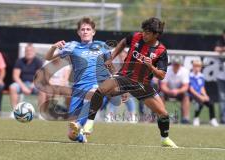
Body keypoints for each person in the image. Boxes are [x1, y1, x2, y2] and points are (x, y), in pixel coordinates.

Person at [71, 17, 178, 147]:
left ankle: (164, 139)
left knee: (163, 114)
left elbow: (161, 75)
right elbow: (123, 42)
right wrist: (112, 57)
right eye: (143, 31)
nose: (144, 34)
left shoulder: (161, 51)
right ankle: (89, 123)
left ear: (156, 34)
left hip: (141, 85)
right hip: (123, 78)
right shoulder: (136, 37)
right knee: (100, 90)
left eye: (148, 33)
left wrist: (151, 67)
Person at [44, 17, 112, 143]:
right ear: (78, 32)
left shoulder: (102, 46)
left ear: (93, 32)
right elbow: (48, 58)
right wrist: (54, 47)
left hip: (97, 84)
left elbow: (110, 64)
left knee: (93, 94)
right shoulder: (72, 46)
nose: (85, 31)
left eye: (88, 29)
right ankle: (81, 136)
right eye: (82, 29)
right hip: (78, 89)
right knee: (71, 135)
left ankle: (81, 123)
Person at [9, 43, 43, 110]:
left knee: (43, 89)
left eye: (31, 50)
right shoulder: (19, 61)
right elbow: (15, 76)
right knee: (12, 87)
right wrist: (23, 87)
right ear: (24, 52)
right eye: (27, 51)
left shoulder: (38, 61)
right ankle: (15, 111)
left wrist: (33, 84)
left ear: (34, 52)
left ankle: (41, 113)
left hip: (34, 84)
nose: (29, 52)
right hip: (21, 84)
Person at [160, 55, 190, 124]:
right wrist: (169, 91)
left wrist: (177, 91)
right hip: (168, 91)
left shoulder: (185, 71)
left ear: (180, 64)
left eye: (178, 64)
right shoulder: (166, 70)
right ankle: (162, 117)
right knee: (161, 95)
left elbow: (185, 87)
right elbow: (163, 86)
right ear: (172, 64)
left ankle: (185, 118)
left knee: (186, 95)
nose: (176, 66)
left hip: (179, 92)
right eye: (175, 64)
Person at [189, 60, 219, 127]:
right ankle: (196, 118)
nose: (197, 68)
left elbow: (202, 88)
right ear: (193, 67)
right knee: (200, 102)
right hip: (192, 95)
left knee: (211, 103)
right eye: (195, 66)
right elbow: (191, 89)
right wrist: (200, 97)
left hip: (200, 95)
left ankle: (212, 119)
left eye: (199, 66)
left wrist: (205, 95)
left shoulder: (201, 76)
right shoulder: (190, 76)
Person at [214, 29, 225, 124]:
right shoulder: (220, 41)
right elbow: (217, 49)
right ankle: (223, 119)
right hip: (221, 76)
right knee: (222, 98)